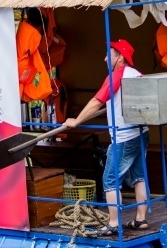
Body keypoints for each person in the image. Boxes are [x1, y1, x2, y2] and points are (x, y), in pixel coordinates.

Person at [63, 40, 150, 236]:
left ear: (119, 57)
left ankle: (113, 223)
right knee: (139, 176)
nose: (104, 58)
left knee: (110, 179)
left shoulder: (117, 76)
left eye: (108, 54)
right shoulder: (137, 75)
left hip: (124, 137)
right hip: (141, 132)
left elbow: (96, 101)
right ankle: (140, 219)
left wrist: (76, 121)